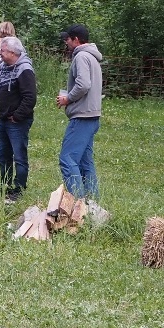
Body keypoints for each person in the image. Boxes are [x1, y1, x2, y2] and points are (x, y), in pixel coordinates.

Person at [57, 24, 103, 199]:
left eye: (67, 39)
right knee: (85, 161)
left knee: (67, 159)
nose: (66, 43)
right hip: (92, 115)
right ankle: (93, 202)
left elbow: (83, 84)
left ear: (76, 39)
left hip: (82, 116)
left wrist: (67, 98)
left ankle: (77, 203)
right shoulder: (92, 57)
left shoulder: (81, 56)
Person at [0, 35, 37, 203]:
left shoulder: (24, 69)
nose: (0, 53)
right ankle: (5, 186)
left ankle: (19, 188)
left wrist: (17, 116)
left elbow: (30, 98)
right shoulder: (4, 66)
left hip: (17, 121)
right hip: (3, 118)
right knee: (4, 155)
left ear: (13, 52)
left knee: (19, 156)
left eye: (3, 51)